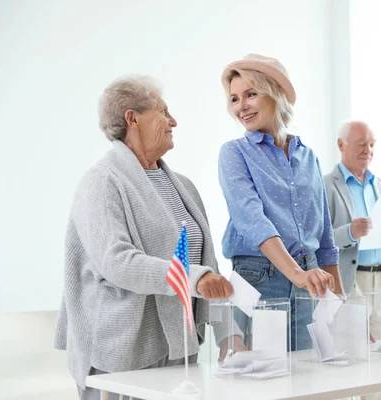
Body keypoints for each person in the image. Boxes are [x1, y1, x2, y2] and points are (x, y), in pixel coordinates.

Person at [54, 75, 243, 400]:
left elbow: (207, 264)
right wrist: (193, 279)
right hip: (118, 358)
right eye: (162, 112)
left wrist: (229, 333)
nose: (174, 121)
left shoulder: (182, 185)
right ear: (132, 118)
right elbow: (117, 262)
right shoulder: (100, 183)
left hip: (178, 353)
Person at [218, 54, 344, 350]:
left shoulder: (307, 156)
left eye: (251, 94)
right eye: (234, 99)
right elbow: (252, 221)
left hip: (311, 280)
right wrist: (297, 274)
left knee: (313, 381)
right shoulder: (234, 153)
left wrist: (340, 301)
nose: (241, 107)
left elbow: (324, 234)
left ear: (276, 93)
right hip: (258, 279)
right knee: (263, 383)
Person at [324, 121, 381, 340]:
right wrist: (350, 232)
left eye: (371, 144)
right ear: (341, 145)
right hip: (350, 279)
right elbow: (316, 242)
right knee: (354, 349)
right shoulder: (325, 186)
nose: (368, 150)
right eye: (361, 144)